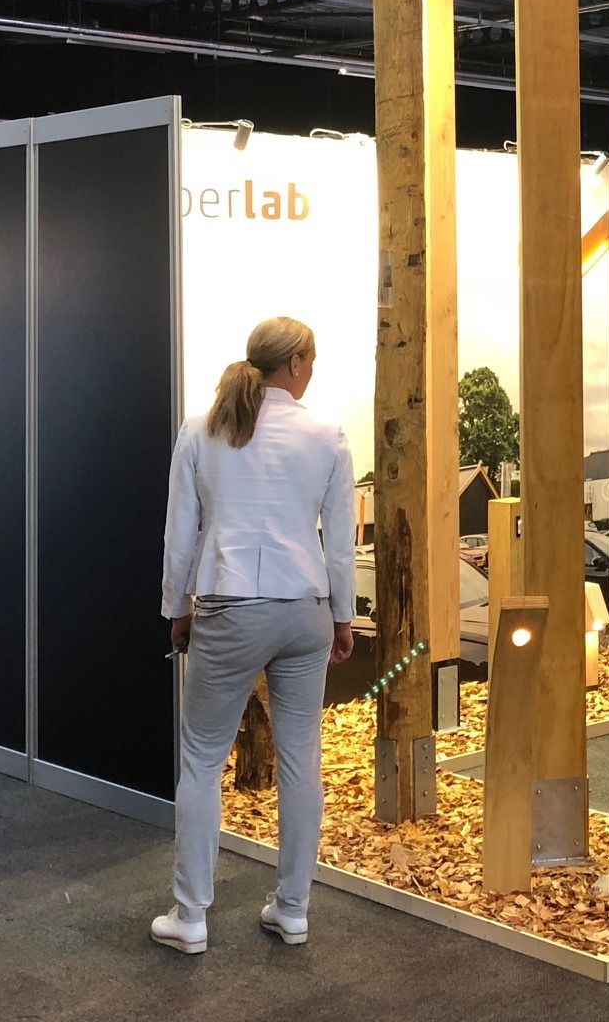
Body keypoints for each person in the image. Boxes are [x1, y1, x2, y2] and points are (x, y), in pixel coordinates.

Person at [153, 316, 354, 956]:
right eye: (311, 360)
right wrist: (344, 616)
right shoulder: (327, 436)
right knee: (302, 759)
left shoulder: (200, 430)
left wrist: (175, 609)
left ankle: (191, 916)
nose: (313, 371)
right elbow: (341, 543)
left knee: (201, 760)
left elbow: (180, 533)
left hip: (229, 608)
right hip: (305, 610)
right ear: (294, 363)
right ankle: (292, 910)